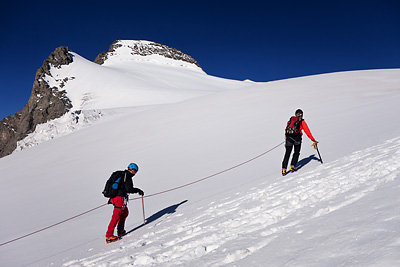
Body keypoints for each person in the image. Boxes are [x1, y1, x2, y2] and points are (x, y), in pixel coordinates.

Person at [106, 163, 144, 243]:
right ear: (130, 169)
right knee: (116, 217)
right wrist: (138, 190)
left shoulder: (124, 175)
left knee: (125, 212)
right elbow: (129, 189)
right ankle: (109, 236)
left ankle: (120, 230)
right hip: (118, 199)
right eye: (134, 171)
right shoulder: (127, 177)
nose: (134, 173)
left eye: (136, 172)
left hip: (117, 198)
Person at [282, 109, 318, 176]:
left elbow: (286, 130)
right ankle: (292, 166)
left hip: (289, 139)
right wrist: (313, 140)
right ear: (302, 115)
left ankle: (284, 169)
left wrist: (286, 139)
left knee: (287, 154)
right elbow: (307, 131)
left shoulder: (291, 120)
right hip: (297, 139)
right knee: (296, 152)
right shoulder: (302, 121)